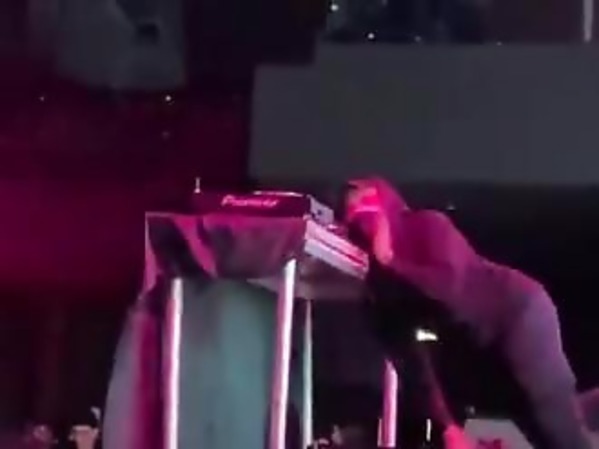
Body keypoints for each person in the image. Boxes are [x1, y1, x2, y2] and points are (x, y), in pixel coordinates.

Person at [341, 177, 591, 449]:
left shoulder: (427, 224)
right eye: (351, 210)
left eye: (366, 201)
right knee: (497, 423)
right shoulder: (378, 298)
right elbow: (411, 365)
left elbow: (450, 294)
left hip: (516, 313)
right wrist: (448, 427)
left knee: (547, 417)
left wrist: (390, 260)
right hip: (471, 349)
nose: (359, 213)